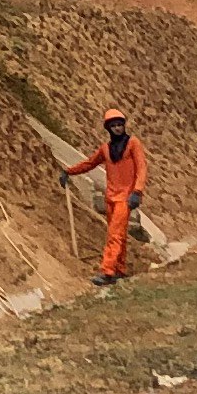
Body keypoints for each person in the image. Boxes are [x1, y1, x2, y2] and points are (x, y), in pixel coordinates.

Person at [62, 108, 148, 288]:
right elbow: (89, 163)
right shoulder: (106, 149)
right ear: (108, 128)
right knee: (119, 235)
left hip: (125, 198)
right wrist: (68, 171)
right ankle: (120, 269)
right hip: (111, 197)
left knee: (114, 235)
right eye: (114, 125)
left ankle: (107, 271)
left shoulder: (133, 143)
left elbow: (141, 168)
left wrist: (137, 192)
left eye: (120, 124)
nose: (117, 128)